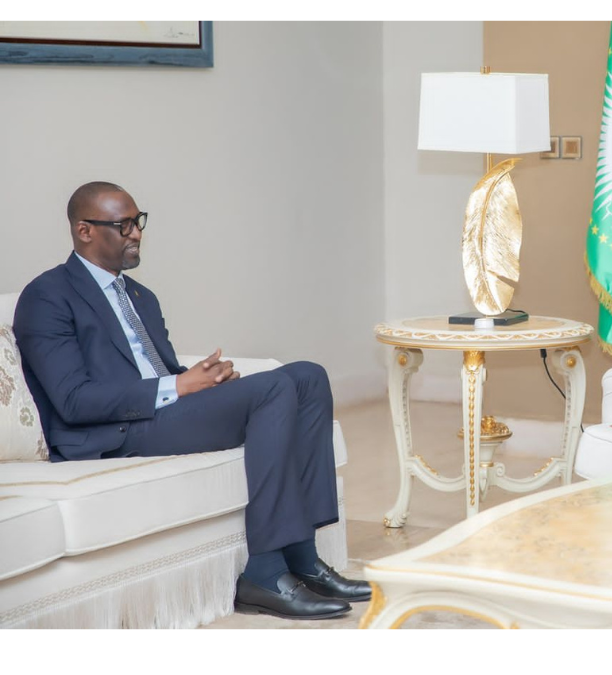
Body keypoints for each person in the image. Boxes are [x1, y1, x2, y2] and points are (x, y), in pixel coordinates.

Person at [13, 181, 371, 621]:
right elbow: (73, 400)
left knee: (307, 377)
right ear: (84, 230)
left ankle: (303, 559)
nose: (136, 234)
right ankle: (264, 574)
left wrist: (202, 381)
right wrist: (178, 388)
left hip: (161, 413)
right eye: (123, 225)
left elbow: (157, 370)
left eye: (138, 222)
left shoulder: (141, 297)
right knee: (273, 389)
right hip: (110, 431)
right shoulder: (47, 295)